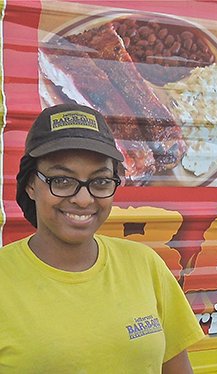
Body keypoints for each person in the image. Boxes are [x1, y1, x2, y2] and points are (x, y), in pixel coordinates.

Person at [0, 103, 204, 373]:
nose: (83, 199)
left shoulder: (145, 265)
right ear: (30, 185)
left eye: (100, 181)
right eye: (61, 181)